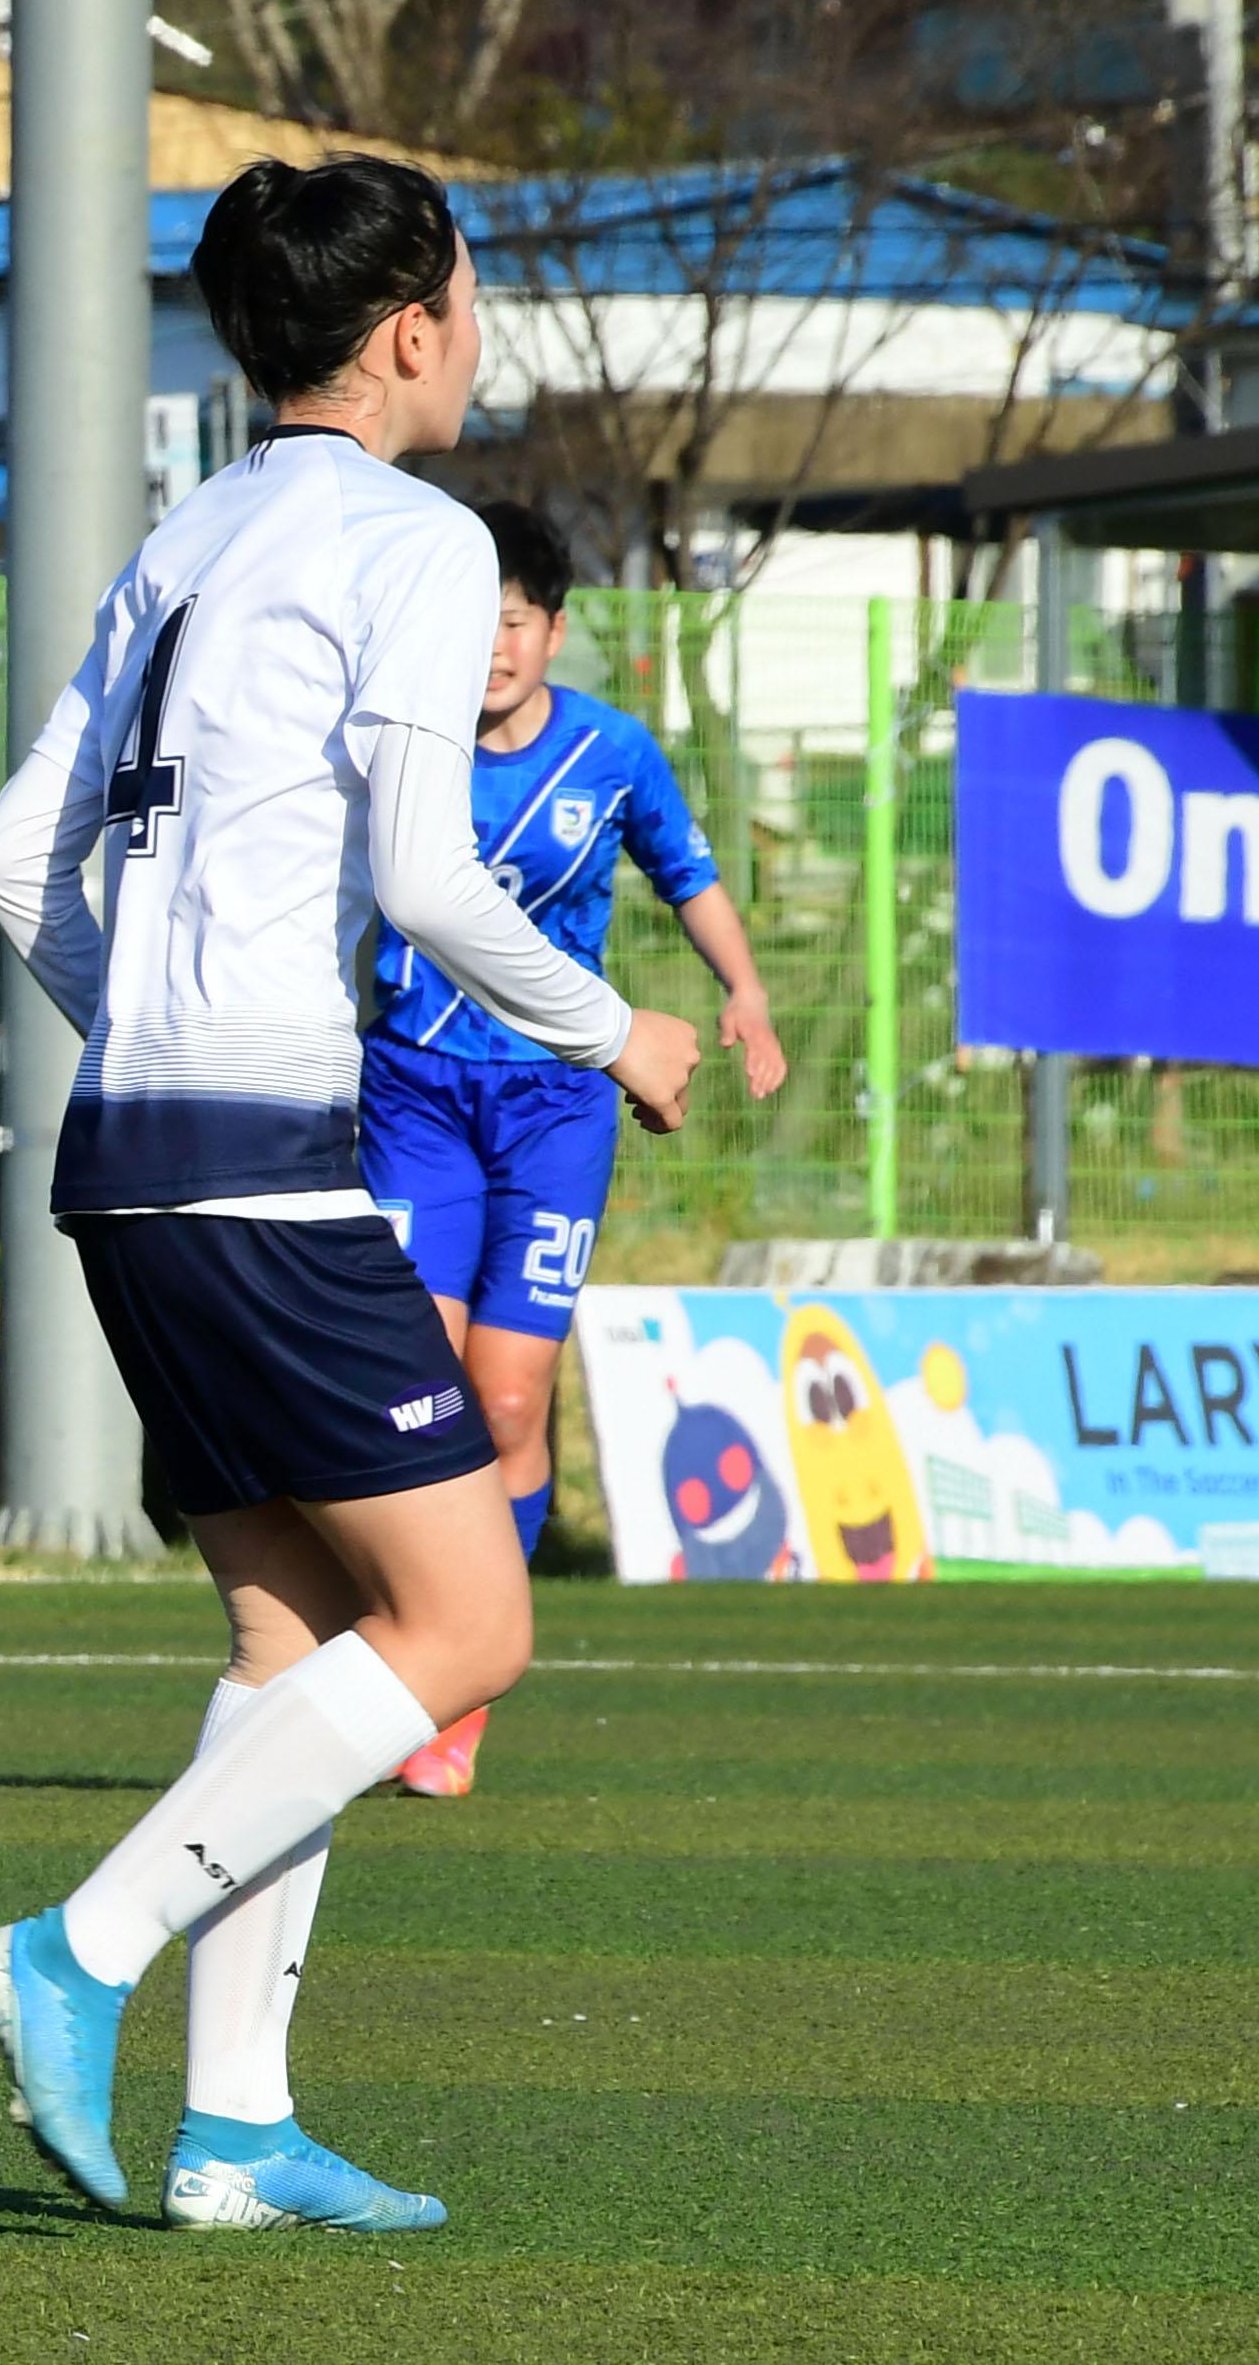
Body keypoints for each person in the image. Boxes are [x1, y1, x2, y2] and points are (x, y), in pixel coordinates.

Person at [0, 156, 702, 2226]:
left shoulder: (185, 533)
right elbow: (428, 879)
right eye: (471, 300)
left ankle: (237, 2128)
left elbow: (16, 865)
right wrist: (613, 1033)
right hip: (270, 1167)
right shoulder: (418, 539)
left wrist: (158, 1020)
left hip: (124, 1155)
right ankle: (74, 1950)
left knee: (294, 1633)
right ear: (405, 330)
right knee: (470, 1622)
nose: (481, 335)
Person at [360, 501, 789, 1798]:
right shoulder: (401, 744)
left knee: (503, 1406)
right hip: (414, 1094)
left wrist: (747, 992)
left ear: (550, 630)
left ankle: (462, 1696)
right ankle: (394, 1650)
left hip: (555, 1104)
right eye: (474, 621)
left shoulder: (614, 753)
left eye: (516, 622)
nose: (492, 647)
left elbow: (688, 873)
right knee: (409, 1394)